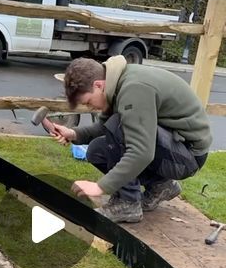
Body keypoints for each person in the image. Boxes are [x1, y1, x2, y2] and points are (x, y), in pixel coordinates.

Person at [52, 56, 211, 223]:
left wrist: (100, 186)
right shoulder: (116, 82)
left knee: (118, 126)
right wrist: (73, 133)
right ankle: (161, 185)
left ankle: (128, 204)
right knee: (96, 151)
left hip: (188, 157)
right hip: (173, 147)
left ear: (98, 85)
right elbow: (104, 126)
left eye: (89, 102)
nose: (91, 108)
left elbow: (142, 152)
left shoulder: (134, 89)